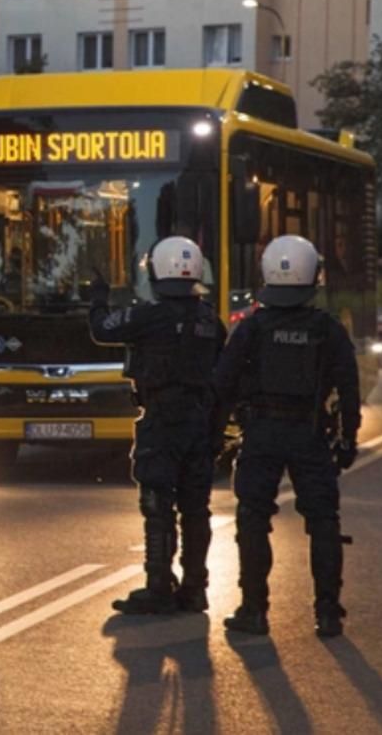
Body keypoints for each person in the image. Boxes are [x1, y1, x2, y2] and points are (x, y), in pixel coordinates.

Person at [215, 235, 360, 639]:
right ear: (313, 275)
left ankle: (253, 610)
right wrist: (349, 439)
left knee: (252, 518)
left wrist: (215, 436)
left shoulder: (252, 327)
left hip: (261, 433)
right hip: (309, 434)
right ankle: (328, 612)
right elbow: (349, 388)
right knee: (323, 521)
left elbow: (222, 383)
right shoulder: (327, 329)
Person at [88, 237, 226, 616]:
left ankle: (158, 586)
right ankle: (195, 589)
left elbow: (101, 328)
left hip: (162, 422)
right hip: (199, 423)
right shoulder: (210, 320)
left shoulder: (149, 316)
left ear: (155, 272)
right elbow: (226, 375)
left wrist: (98, 296)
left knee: (157, 504)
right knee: (196, 509)